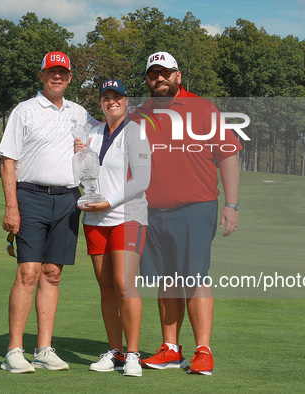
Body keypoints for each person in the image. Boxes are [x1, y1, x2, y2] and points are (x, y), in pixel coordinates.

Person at [136, 52, 242, 376]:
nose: (160, 79)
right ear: (148, 79)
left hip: (196, 208)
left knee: (194, 277)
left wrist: (232, 204)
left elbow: (228, 155)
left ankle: (203, 351)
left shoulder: (202, 108)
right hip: (152, 211)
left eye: (166, 73)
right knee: (166, 279)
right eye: (154, 74)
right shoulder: (139, 116)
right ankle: (170, 349)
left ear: (178, 76)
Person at [0, 51, 98, 373]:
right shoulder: (24, 111)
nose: (57, 77)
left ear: (70, 78)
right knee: (28, 272)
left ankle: (43, 349)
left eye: (63, 73)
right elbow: (8, 161)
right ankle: (14, 350)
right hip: (30, 196)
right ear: (41, 75)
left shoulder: (79, 113)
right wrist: (12, 207)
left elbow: (110, 130)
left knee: (52, 274)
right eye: (51, 72)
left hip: (68, 199)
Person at [76, 79, 151, 377]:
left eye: (116, 96)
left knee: (124, 284)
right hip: (94, 220)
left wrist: (107, 202)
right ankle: (115, 351)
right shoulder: (92, 133)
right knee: (106, 287)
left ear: (126, 100)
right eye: (106, 97)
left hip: (126, 216)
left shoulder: (136, 132)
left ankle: (133, 354)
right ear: (101, 103)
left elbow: (141, 181)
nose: (111, 102)